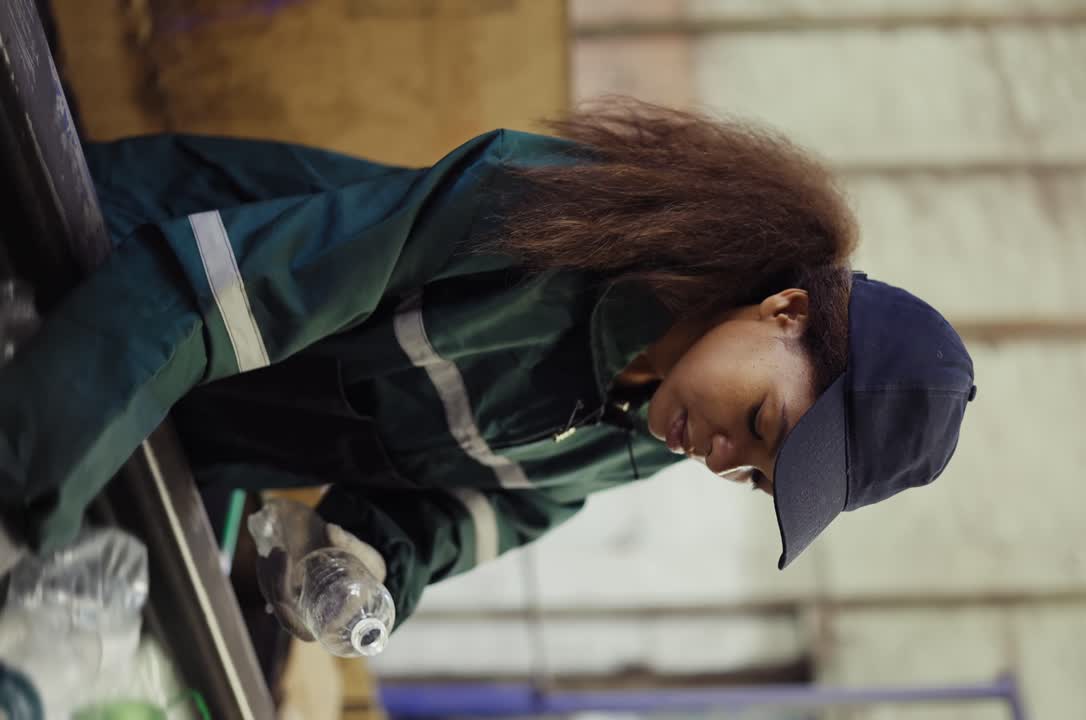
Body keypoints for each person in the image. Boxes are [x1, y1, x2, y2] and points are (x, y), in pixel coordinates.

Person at [0, 99, 976, 632]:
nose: (718, 456)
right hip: (93, 278)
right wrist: (22, 490)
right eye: (758, 425)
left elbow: (504, 502)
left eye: (751, 478)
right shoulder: (551, 219)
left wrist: (366, 564)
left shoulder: (638, 439)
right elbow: (227, 290)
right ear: (785, 310)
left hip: (171, 435)